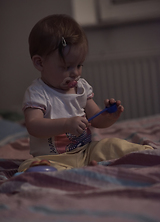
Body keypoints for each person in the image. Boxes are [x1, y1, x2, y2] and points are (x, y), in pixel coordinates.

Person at [18, 14, 152, 172]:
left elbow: (95, 119)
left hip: (86, 151)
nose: (75, 73)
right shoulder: (37, 93)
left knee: (111, 145)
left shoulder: (81, 88)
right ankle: (66, 172)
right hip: (51, 158)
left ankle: (147, 154)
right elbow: (34, 126)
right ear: (40, 63)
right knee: (28, 166)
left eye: (79, 65)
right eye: (66, 67)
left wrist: (108, 117)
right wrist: (66, 124)